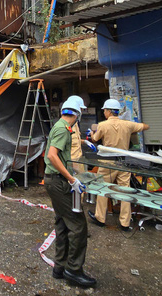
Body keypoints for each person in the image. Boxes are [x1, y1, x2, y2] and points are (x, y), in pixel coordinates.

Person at [43, 98, 96, 288]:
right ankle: (74, 271)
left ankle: (60, 267)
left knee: (63, 223)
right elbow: (52, 155)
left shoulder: (62, 127)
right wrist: (72, 178)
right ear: (78, 113)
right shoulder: (63, 129)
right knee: (78, 225)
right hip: (58, 181)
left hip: (57, 180)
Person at [88, 99, 149, 231]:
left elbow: (95, 139)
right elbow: (145, 126)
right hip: (123, 162)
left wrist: (92, 133)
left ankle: (100, 218)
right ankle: (125, 223)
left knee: (103, 189)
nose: (104, 112)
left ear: (109, 111)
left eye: (104, 110)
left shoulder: (103, 125)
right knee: (124, 191)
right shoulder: (128, 124)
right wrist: (131, 131)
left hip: (107, 163)